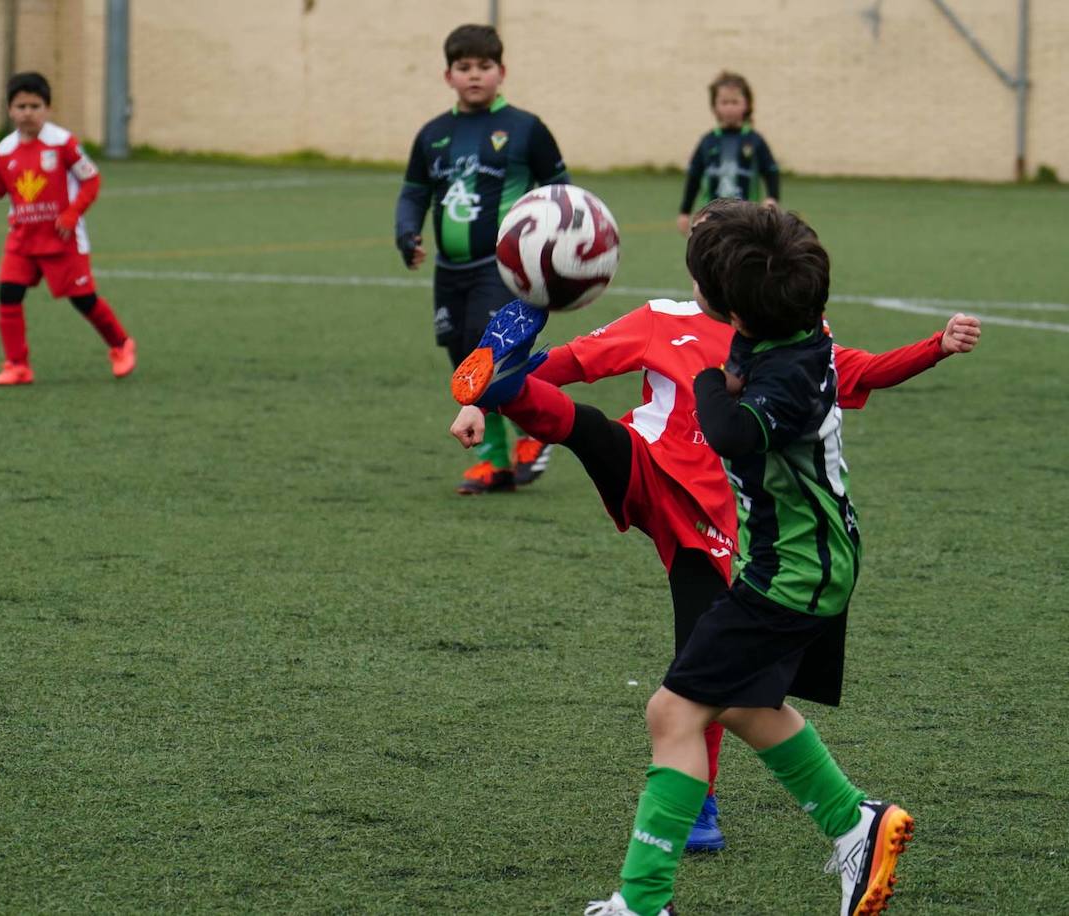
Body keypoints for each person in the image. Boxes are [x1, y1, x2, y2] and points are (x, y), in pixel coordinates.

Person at [452, 202, 971, 914]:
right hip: (773, 547)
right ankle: (854, 823)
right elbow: (589, 364)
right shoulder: (785, 342)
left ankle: (647, 899)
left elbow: (734, 431)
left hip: (778, 562)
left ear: (731, 309)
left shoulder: (788, 368)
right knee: (741, 701)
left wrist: (709, 375)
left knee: (678, 710)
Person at [395, 23, 569, 493]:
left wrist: (557, 246)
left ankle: (535, 432)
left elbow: (562, 191)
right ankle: (494, 460)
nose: (475, 75)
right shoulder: (433, 134)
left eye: (484, 67)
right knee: (463, 361)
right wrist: (406, 232)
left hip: (501, 268)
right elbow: (414, 193)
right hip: (448, 272)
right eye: (464, 67)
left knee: (492, 351)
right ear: (447, 75)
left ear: (502, 71)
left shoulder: (525, 128)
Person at [0, 71, 135, 386]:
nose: (28, 112)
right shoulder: (5, 149)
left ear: (47, 109)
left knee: (83, 300)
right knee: (8, 293)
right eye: (21, 106)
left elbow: (91, 180)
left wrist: (72, 214)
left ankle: (121, 344)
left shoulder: (63, 143)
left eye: (35, 105)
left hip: (62, 239)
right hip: (22, 238)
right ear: (9, 110)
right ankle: (17, 365)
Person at [676, 71, 780, 238]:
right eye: (724, 102)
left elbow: (771, 171)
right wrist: (684, 211)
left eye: (735, 102)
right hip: (710, 218)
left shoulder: (755, 140)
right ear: (714, 106)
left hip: (747, 218)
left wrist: (772, 198)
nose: (729, 107)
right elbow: (694, 177)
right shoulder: (707, 141)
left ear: (746, 104)